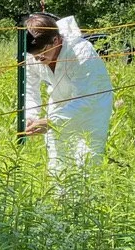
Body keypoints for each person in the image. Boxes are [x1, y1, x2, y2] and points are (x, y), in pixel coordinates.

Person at [22, 13, 114, 177]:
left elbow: (86, 99)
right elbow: (29, 89)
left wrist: (51, 121)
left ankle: (85, 200)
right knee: (58, 161)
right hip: (60, 103)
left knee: (87, 161)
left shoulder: (81, 53)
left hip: (92, 108)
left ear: (56, 40)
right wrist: (31, 115)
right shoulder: (32, 55)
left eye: (42, 52)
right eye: (34, 55)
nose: (38, 58)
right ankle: (61, 199)